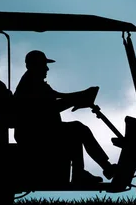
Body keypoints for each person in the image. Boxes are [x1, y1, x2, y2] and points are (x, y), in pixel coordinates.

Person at [12, 50, 117, 185]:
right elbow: (51, 107)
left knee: (74, 131)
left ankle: (83, 173)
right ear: (33, 66)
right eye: (43, 65)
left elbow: (58, 96)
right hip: (35, 135)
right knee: (78, 129)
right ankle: (103, 168)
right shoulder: (31, 84)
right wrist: (78, 97)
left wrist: (81, 95)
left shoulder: (35, 82)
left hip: (42, 132)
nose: (47, 68)